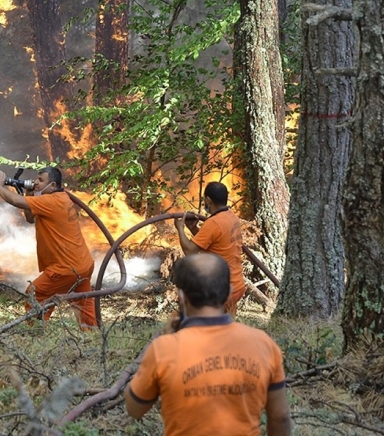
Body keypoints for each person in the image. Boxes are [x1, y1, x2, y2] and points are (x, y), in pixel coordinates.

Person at [124, 253, 291, 436]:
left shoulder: (163, 349)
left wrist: (163, 342)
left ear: (181, 296)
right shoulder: (263, 343)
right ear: (228, 292)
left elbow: (134, 409)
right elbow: (280, 417)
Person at [0, 167, 98, 330]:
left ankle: (36, 333)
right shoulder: (59, 198)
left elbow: (15, 201)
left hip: (65, 269)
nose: (35, 182)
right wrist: (29, 193)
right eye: (36, 179)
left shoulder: (51, 202)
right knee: (83, 305)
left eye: (41, 180)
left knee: (35, 293)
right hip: (82, 265)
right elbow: (29, 218)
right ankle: (92, 336)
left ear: (53, 185)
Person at [174, 182, 246, 315]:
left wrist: (180, 229)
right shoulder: (231, 216)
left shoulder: (213, 223)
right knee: (225, 327)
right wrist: (193, 229)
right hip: (237, 285)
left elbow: (190, 251)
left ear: (208, 200)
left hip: (222, 289)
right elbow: (214, 242)